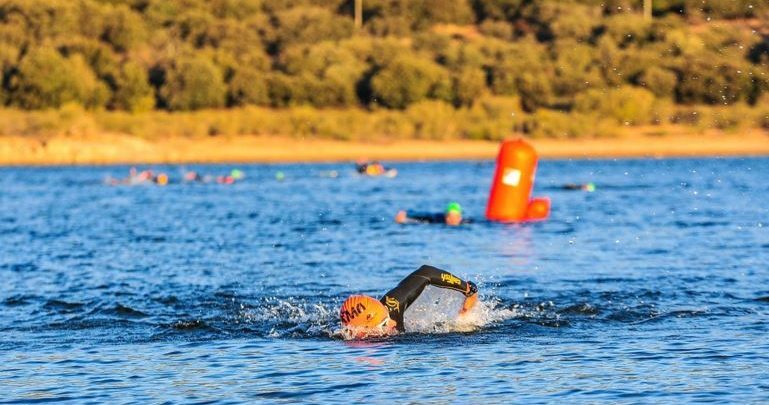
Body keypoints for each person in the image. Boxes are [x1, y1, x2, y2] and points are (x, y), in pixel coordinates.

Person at [339, 264, 478, 339]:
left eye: (386, 320)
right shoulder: (355, 336)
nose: (391, 325)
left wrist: (468, 290)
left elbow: (426, 272)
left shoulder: (393, 304)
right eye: (384, 325)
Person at [395, 202, 466, 226]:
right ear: (445, 216)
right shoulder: (436, 218)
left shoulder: (465, 222)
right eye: (449, 216)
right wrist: (406, 214)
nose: (452, 220)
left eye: (455, 217)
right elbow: (422, 214)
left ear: (460, 217)